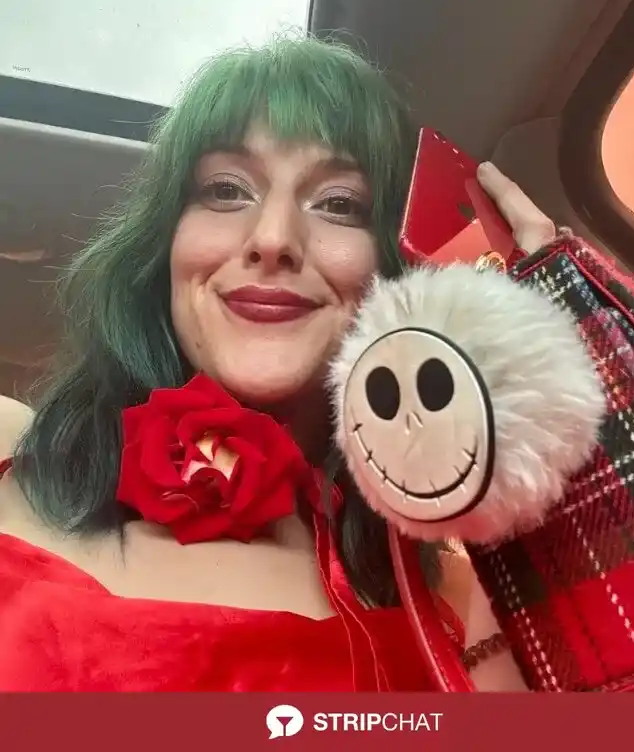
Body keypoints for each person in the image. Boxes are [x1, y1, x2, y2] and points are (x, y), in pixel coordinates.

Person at [0, 35, 555, 691]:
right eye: (225, 190)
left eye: (340, 203)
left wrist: (553, 333)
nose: (272, 239)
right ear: (163, 244)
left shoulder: (465, 608)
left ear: (399, 270)